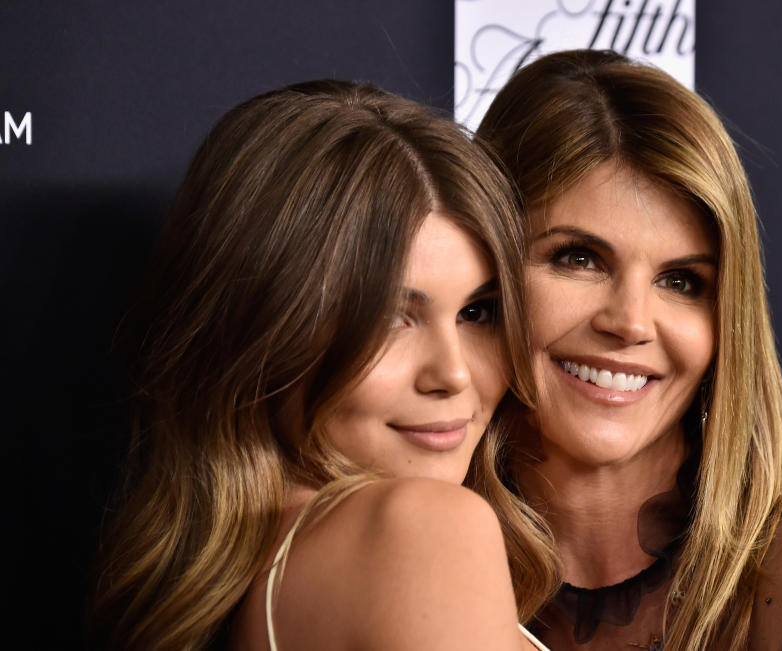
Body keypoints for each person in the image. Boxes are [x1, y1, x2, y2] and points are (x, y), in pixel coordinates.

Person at [476, 49, 782, 650]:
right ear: (484, 269)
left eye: (682, 281)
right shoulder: (383, 559)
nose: (631, 322)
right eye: (578, 258)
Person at [90, 80, 557, 650]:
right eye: (389, 316)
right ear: (263, 329)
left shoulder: (265, 576)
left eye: (479, 312)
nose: (454, 375)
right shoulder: (424, 528)